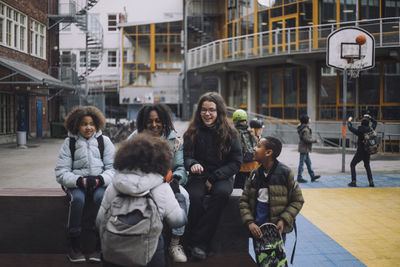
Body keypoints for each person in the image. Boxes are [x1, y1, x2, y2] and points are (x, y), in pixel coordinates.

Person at [96, 134, 187, 267]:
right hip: (149, 250)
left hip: (113, 250)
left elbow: (99, 221)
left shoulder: (115, 184)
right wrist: (179, 198)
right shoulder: (161, 187)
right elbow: (177, 221)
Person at [183, 92, 243, 260]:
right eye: (203, 110)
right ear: (199, 112)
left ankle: (197, 243)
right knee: (194, 197)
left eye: (211, 110)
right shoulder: (192, 132)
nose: (207, 114)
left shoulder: (230, 133)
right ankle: (200, 244)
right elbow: (186, 156)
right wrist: (192, 163)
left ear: (219, 112)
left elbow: (236, 161)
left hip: (222, 176)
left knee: (221, 194)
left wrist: (215, 177)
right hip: (198, 176)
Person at [127, 103, 190, 263]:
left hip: (168, 183)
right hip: (141, 184)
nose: (154, 125)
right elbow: (125, 165)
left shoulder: (173, 139)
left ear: (164, 120)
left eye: (158, 120)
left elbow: (180, 167)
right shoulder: (134, 139)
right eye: (149, 121)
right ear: (143, 122)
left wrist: (176, 179)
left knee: (185, 195)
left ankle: (175, 243)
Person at [55, 106, 115, 263]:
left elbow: (113, 169)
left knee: (101, 198)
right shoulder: (70, 143)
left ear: (97, 125)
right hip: (77, 183)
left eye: (91, 123)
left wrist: (100, 180)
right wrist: (79, 181)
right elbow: (61, 172)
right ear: (76, 125)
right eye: (84, 124)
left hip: (99, 182)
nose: (88, 127)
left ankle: (99, 245)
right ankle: (74, 245)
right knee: (78, 200)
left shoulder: (104, 141)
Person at [239, 136, 304, 265]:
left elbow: (297, 200)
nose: (254, 148)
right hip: (257, 229)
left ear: (268, 153)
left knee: (276, 261)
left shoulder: (285, 173)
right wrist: (250, 222)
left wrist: (284, 219)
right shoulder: (254, 175)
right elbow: (244, 201)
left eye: (258, 146)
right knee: (262, 261)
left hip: (276, 230)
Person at [347, 114, 377, 187]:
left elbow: (350, 127)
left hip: (360, 151)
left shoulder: (359, 131)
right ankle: (371, 181)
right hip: (368, 151)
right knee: (367, 166)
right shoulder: (371, 129)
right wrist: (370, 117)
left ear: (361, 123)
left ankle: (353, 181)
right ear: (368, 123)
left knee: (352, 164)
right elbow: (375, 123)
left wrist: (349, 120)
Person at [232, 109, 259, 189]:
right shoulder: (252, 131)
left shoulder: (234, 133)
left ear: (235, 121)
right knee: (253, 188)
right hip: (253, 165)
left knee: (237, 188)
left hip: (241, 166)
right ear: (246, 121)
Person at [296, 114, 321, 183]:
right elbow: (306, 139)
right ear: (306, 121)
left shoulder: (304, 128)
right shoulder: (305, 129)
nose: (310, 120)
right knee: (302, 164)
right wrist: (315, 141)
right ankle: (299, 177)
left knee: (309, 163)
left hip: (305, 149)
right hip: (304, 149)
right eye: (309, 119)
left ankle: (312, 176)